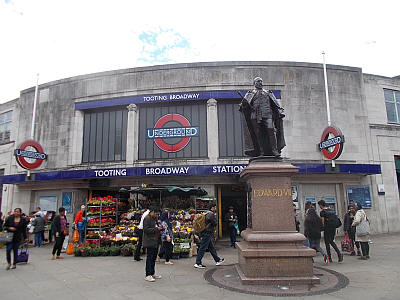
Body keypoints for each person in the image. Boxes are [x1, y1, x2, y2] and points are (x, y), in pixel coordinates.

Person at [239, 77, 286, 157]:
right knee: (258, 134)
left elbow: (275, 104)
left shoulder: (268, 93)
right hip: (255, 115)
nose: (260, 83)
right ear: (254, 83)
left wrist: (280, 112)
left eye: (261, 81)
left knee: (271, 131)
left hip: (267, 114)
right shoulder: (250, 93)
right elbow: (243, 105)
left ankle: (274, 150)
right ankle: (261, 152)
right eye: (258, 81)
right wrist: (243, 105)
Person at [194, 202, 224, 269]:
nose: (216, 208)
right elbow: (214, 223)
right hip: (207, 233)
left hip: (205, 232)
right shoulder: (211, 214)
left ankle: (217, 260)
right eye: (215, 207)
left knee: (211, 247)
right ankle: (198, 263)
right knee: (202, 247)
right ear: (212, 207)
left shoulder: (205, 213)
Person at [143, 206, 163, 282]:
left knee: (153, 257)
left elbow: (156, 227)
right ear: (152, 212)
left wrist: (160, 228)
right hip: (149, 241)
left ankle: (152, 273)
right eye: (156, 214)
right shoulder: (147, 219)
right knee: (150, 257)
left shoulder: (155, 219)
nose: (157, 215)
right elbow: (146, 230)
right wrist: (156, 229)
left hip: (155, 240)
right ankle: (148, 274)